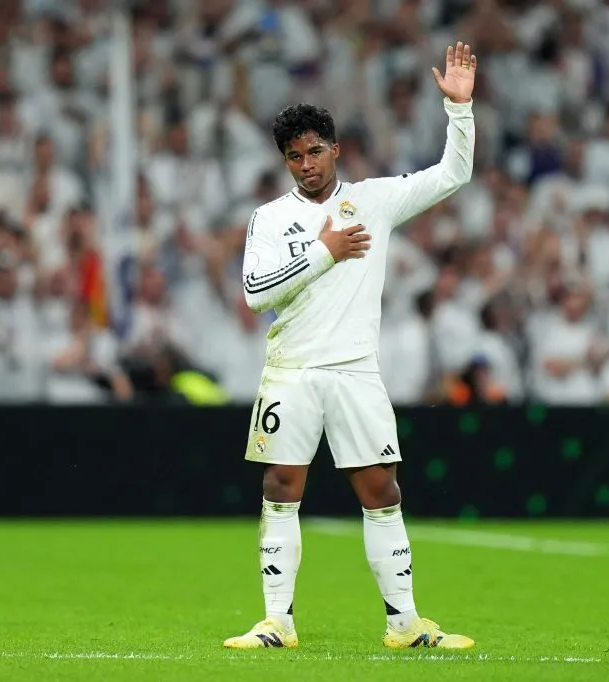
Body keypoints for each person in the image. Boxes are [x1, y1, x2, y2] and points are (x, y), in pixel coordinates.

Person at [223, 43, 478, 650]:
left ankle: (405, 624)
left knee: (381, 491)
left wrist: (460, 113)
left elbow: (454, 174)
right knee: (281, 488)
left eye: (314, 151)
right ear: (284, 162)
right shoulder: (269, 217)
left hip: (356, 370)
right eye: (294, 157)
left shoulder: (374, 200)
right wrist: (325, 249)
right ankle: (276, 623)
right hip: (291, 368)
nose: (306, 164)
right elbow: (256, 292)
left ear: (335, 149)